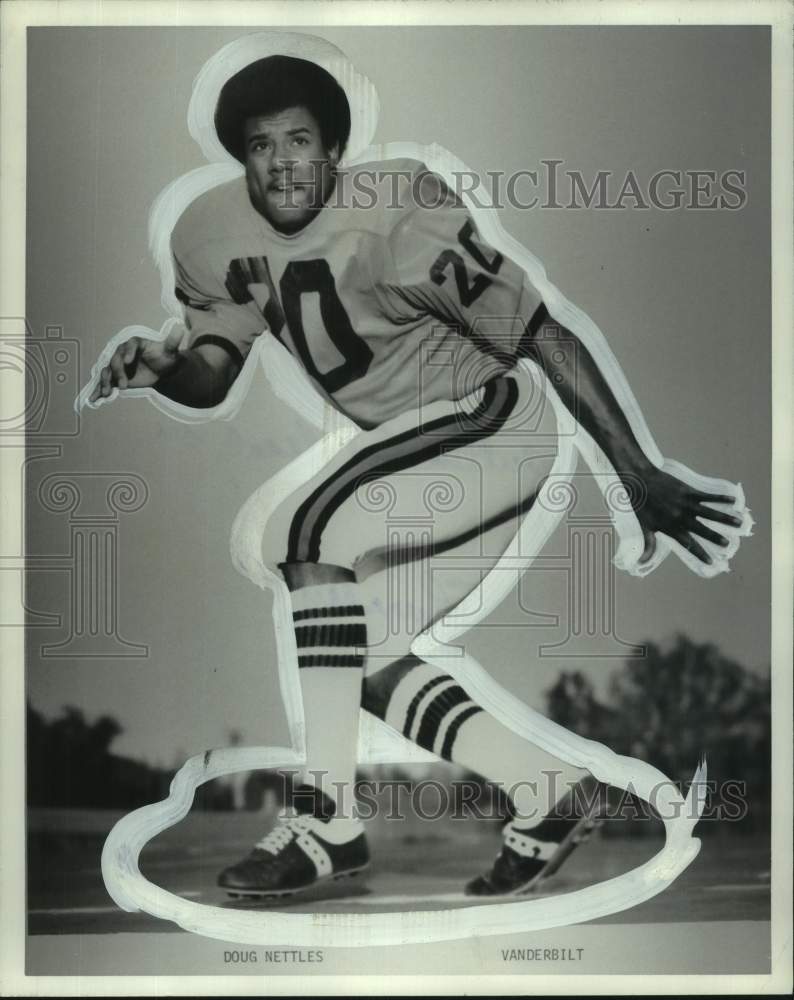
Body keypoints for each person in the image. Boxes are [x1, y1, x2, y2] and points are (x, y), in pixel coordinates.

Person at [88, 50, 749, 900]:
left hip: (488, 420)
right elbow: (214, 365)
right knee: (359, 656)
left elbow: (540, 331)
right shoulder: (210, 232)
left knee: (300, 530)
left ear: (334, 150)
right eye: (261, 145)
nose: (283, 162)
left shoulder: (397, 208)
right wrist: (159, 370)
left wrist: (635, 471)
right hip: (417, 453)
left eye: (301, 140)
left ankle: (326, 818)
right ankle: (546, 793)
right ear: (240, 156)